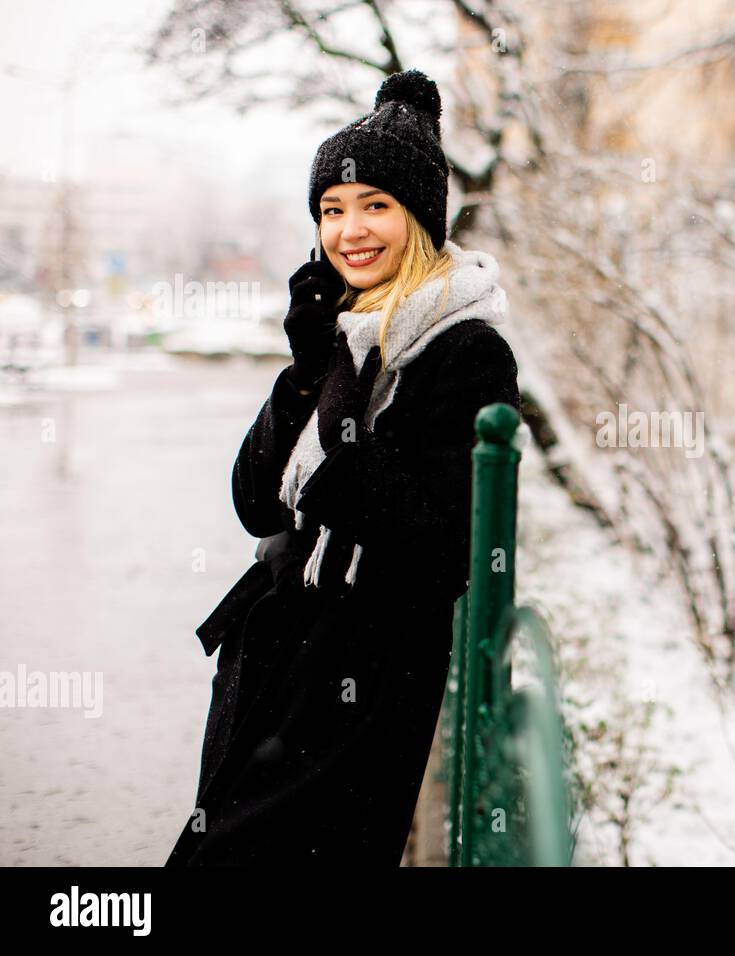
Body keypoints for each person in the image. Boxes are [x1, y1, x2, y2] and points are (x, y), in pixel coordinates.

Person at [166, 69, 521, 865]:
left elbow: (441, 544)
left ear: (421, 218)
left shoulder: (465, 350)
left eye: (374, 206)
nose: (348, 230)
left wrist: (340, 420)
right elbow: (258, 504)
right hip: (274, 659)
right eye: (331, 209)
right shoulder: (342, 336)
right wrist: (305, 374)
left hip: (365, 676)